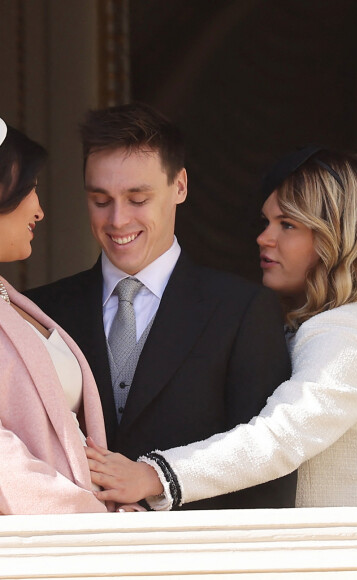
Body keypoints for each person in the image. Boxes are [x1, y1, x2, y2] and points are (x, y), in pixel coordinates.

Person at [86, 145, 357, 509]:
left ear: (337, 234)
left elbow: (280, 437)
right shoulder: (348, 323)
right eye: (266, 222)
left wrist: (152, 477)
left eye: (288, 224)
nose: (264, 238)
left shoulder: (355, 330)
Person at [26, 103, 296, 510]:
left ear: (180, 186)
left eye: (137, 199)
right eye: (101, 200)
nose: (117, 220)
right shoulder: (41, 310)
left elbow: (266, 472)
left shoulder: (242, 311)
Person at [0, 117, 108, 514]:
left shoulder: (11, 299)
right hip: (48, 546)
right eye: (30, 189)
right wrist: (95, 522)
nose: (40, 210)